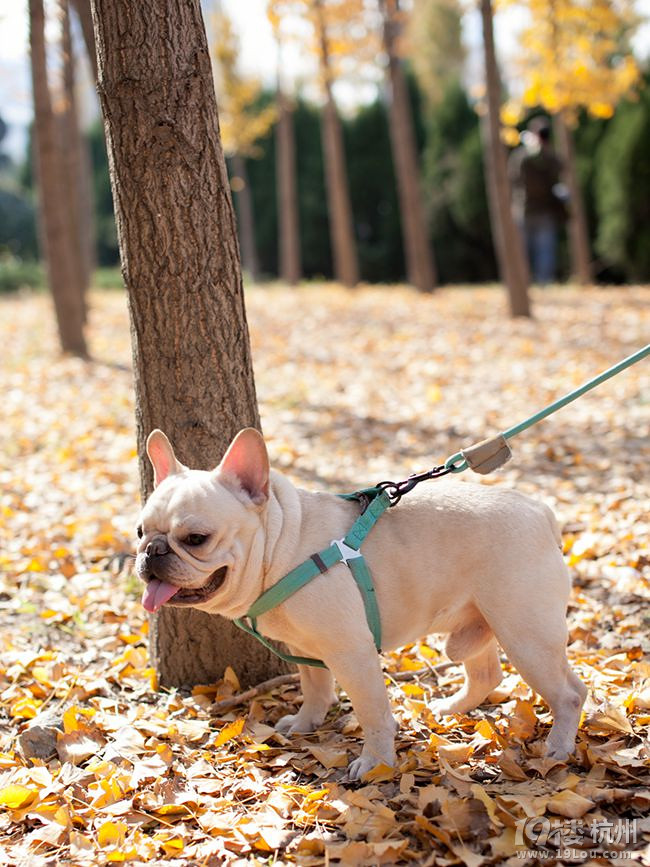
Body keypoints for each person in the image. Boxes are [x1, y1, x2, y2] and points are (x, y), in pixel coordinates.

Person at [509, 117, 568, 284]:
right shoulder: (551, 157)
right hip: (542, 210)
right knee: (544, 249)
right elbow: (561, 169)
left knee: (526, 250)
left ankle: (526, 282)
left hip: (526, 209)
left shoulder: (522, 156)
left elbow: (513, 177)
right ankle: (543, 282)